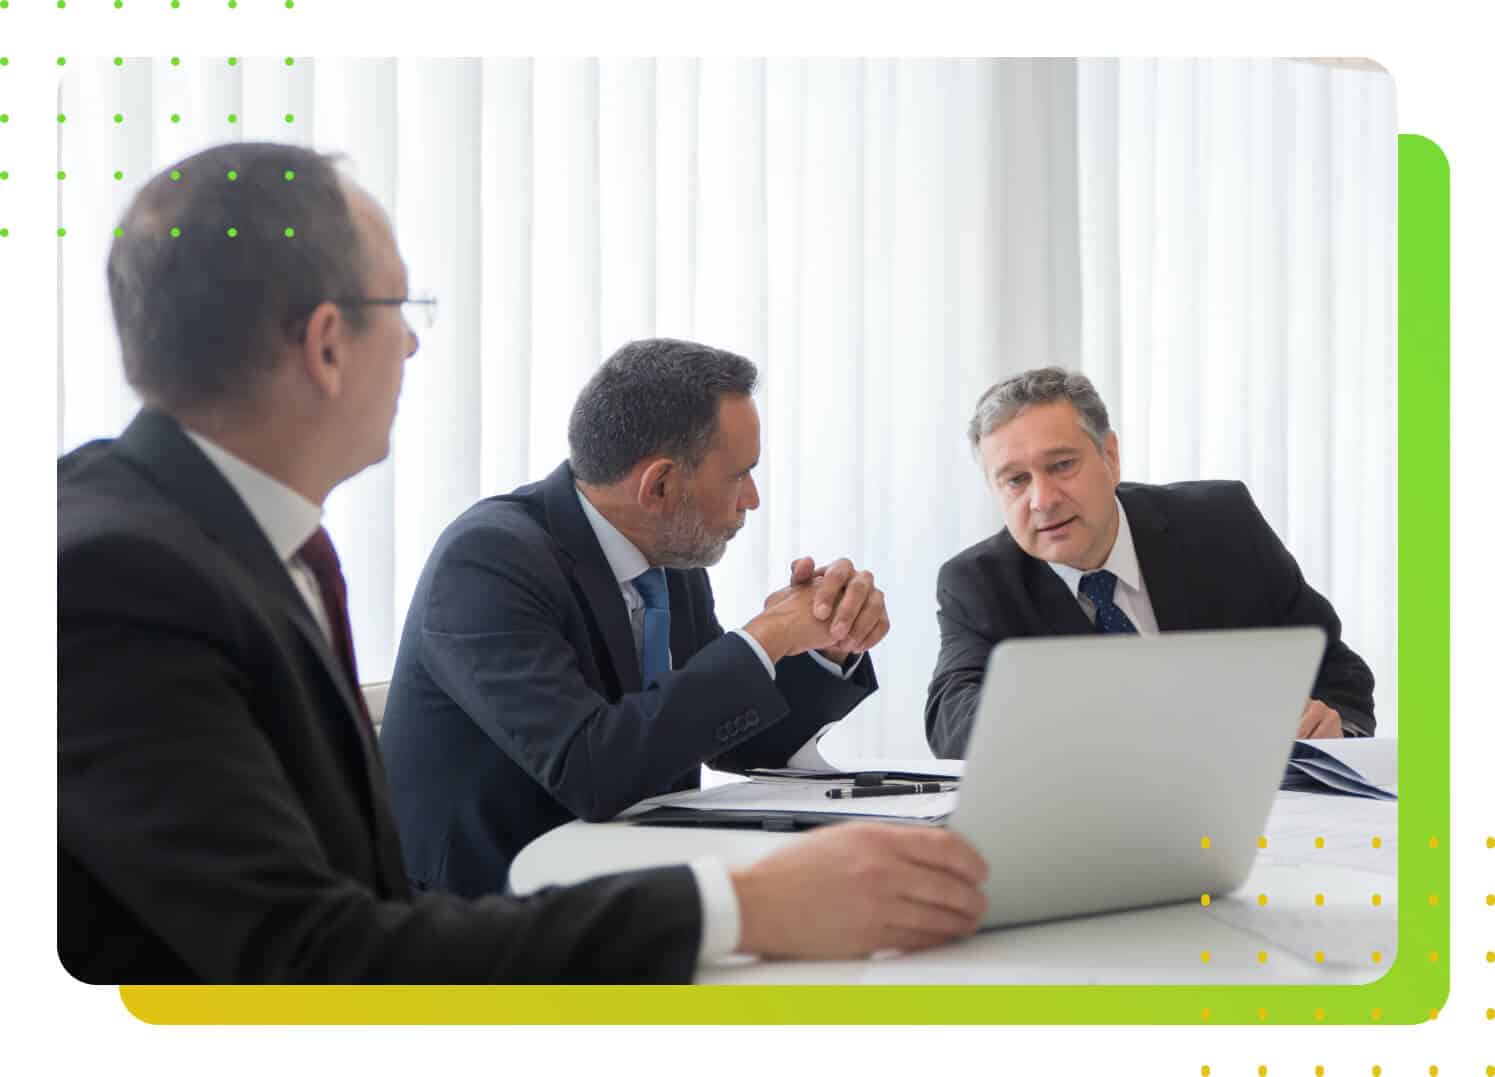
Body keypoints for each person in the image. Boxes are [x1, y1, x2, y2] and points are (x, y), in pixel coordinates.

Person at [58, 142, 988, 985]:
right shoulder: (120, 579)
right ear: (328, 344)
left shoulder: (216, 541)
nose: (416, 343)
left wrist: (808, 648)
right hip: (482, 924)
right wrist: (750, 907)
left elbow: (718, 729)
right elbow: (305, 953)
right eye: (402, 309)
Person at [381, 338, 889, 896]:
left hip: (630, 886)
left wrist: (823, 643)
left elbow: (729, 738)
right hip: (486, 921)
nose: (752, 498)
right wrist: (764, 639)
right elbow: (592, 770)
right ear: (661, 485)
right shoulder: (486, 561)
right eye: (739, 474)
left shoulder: (669, 555)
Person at [925, 366, 1376, 758]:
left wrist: (1330, 726)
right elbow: (952, 722)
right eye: (1016, 480)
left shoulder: (1221, 524)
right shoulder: (978, 581)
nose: (1042, 500)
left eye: (1062, 465)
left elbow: (1336, 672)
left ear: (1110, 457)